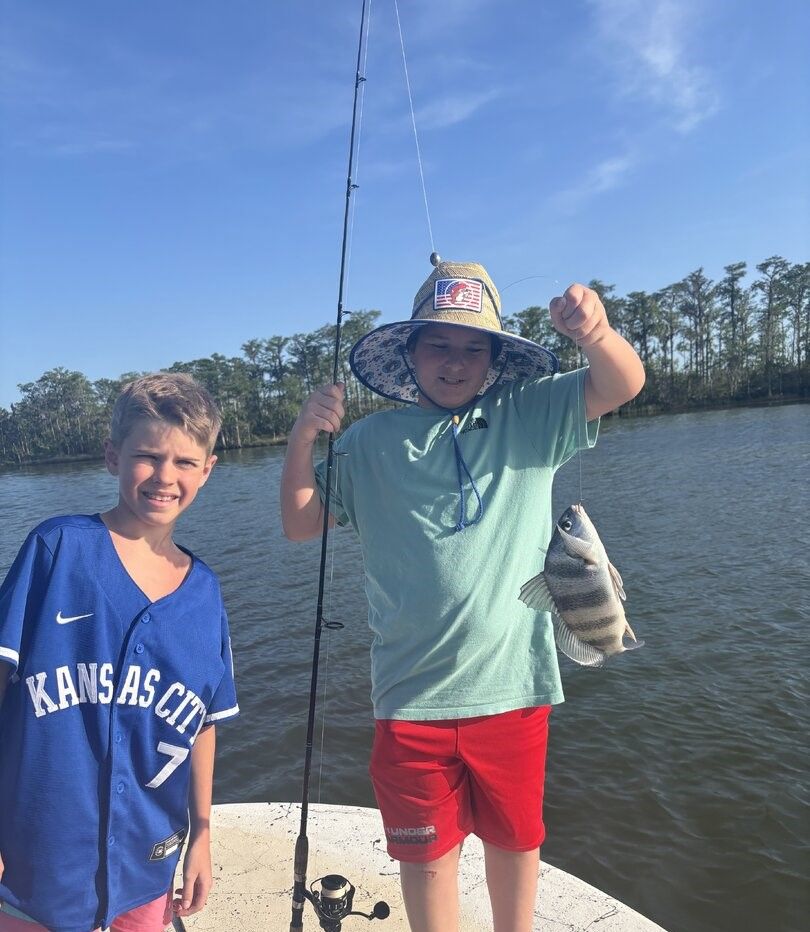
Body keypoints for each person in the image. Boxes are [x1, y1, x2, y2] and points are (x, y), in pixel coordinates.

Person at [280, 260, 645, 932]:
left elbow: (622, 382)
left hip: (514, 688)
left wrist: (596, 333)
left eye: (474, 347)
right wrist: (304, 437)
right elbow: (302, 523)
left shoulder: (530, 417)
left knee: (516, 840)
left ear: (496, 359)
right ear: (409, 353)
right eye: (438, 345)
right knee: (427, 859)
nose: (455, 362)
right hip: (409, 697)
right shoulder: (368, 443)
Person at [0, 373, 239, 932]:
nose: (164, 476)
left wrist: (201, 835)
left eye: (184, 462)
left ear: (207, 470)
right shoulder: (57, 549)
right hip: (40, 854)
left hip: (147, 859)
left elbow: (204, 722)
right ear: (112, 456)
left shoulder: (204, 592)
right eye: (147, 455)